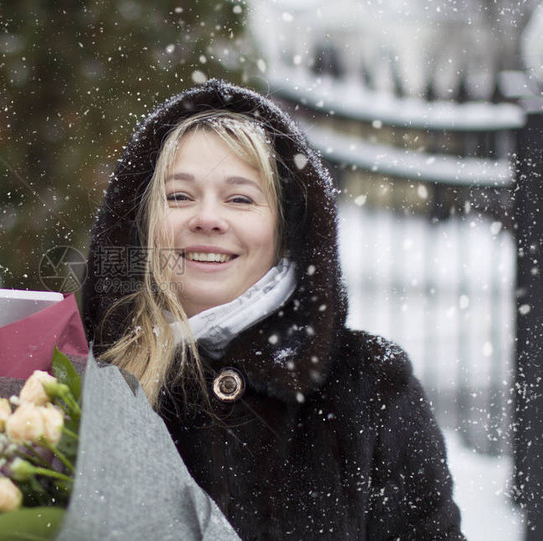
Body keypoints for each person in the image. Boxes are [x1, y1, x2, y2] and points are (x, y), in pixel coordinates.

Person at [81, 79, 465, 540]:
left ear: (286, 229)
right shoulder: (77, 384)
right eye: (179, 196)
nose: (207, 217)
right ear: (142, 223)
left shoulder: (371, 387)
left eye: (240, 198)